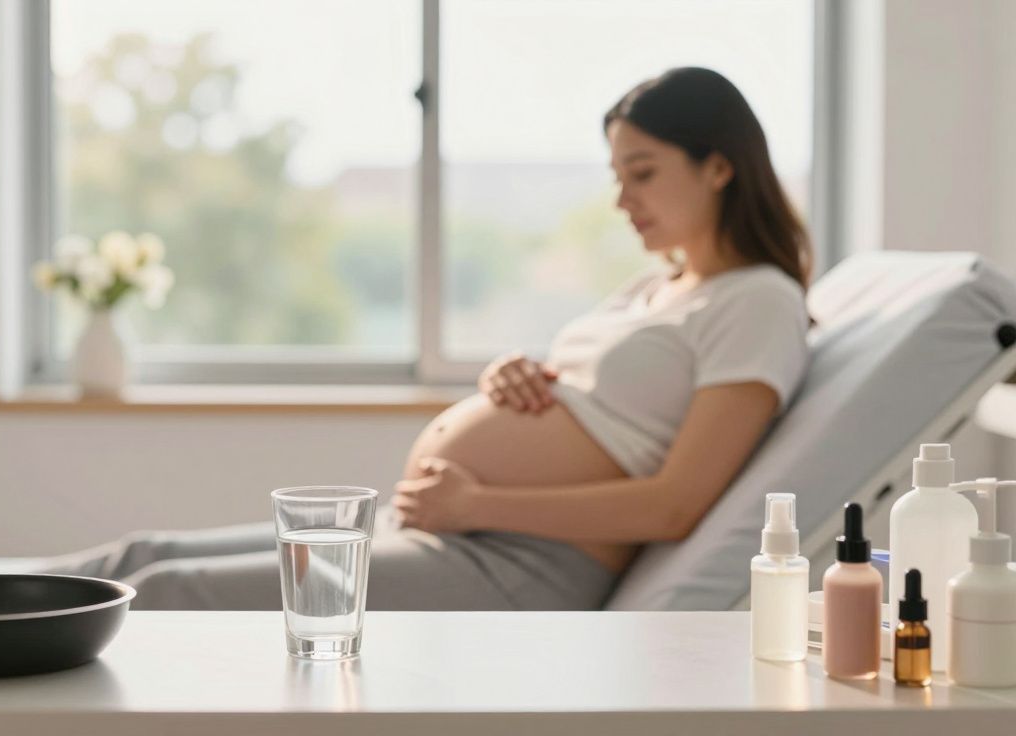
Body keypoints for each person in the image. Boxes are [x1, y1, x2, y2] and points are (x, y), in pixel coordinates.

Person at [42, 67, 812, 611]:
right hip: (444, 531)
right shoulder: (658, 286)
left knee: (167, 596)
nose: (621, 199)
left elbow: (675, 507)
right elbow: (603, 407)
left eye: (641, 172)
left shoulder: (760, 303)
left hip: (516, 567)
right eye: (615, 174)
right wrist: (516, 378)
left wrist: (481, 499)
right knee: (143, 558)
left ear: (718, 167)